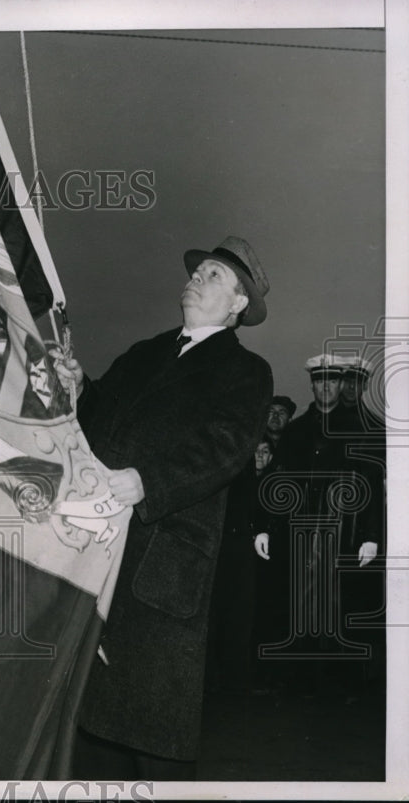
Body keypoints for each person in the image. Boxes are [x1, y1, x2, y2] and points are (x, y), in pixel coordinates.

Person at [58, 235, 273, 780]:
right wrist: (77, 388)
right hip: (101, 556)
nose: (196, 279)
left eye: (214, 277)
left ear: (238, 304)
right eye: (196, 271)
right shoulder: (144, 352)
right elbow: (100, 422)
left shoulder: (246, 371)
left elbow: (225, 449)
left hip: (163, 566)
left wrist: (147, 481)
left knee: (154, 737)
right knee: (94, 735)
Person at [254, 353, 383, 695]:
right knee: (290, 601)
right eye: (320, 381)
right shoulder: (295, 432)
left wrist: (371, 536)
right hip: (295, 533)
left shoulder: (361, 430)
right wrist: (265, 526)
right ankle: (292, 678)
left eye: (333, 381)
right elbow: (274, 480)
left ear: (341, 384)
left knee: (339, 604)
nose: (326, 387)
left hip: (343, 534)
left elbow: (372, 481)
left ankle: (336, 682)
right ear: (312, 385)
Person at [207, 437, 275, 694]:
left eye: (265, 452)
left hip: (247, 552)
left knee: (242, 616)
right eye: (255, 450)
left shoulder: (270, 484)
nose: (259, 456)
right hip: (225, 546)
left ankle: (235, 680)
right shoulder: (234, 474)